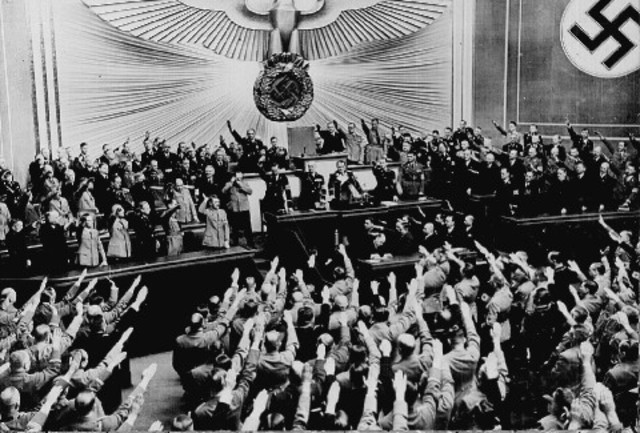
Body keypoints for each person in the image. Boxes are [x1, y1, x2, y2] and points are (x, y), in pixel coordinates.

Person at [222, 171, 254, 248]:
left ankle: (250, 243)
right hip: (234, 208)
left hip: (244, 208)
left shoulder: (245, 183)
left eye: (240, 177)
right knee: (234, 227)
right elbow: (223, 191)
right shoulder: (229, 184)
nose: (238, 179)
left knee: (247, 227)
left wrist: (241, 185)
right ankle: (235, 243)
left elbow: (250, 191)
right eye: (237, 177)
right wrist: (231, 183)